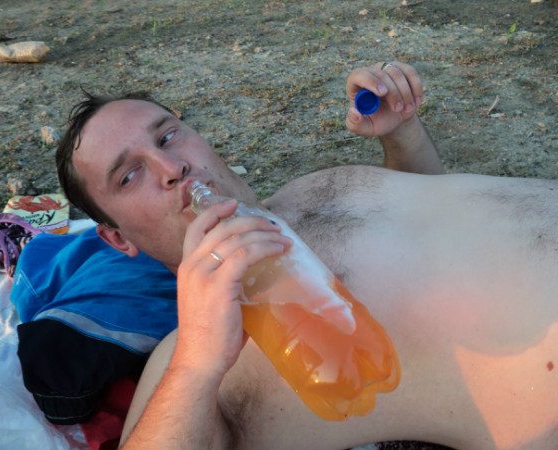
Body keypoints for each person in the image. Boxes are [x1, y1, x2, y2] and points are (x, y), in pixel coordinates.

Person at [56, 61, 558, 450]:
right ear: (118, 239)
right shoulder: (197, 351)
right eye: (130, 176)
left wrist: (401, 133)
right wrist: (196, 366)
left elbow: (429, 214)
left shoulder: (309, 189)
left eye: (168, 136)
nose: (172, 167)